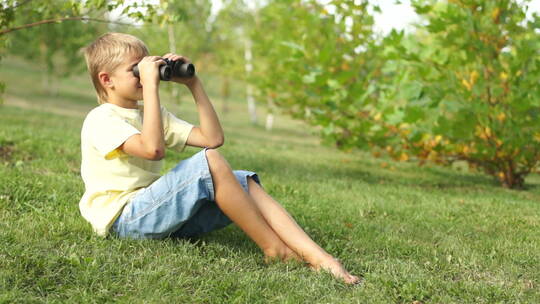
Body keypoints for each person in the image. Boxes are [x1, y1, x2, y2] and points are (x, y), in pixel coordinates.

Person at [79, 32, 359, 284]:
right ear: (107, 80)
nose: (145, 74)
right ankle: (276, 250)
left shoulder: (152, 114)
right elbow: (153, 149)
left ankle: (321, 259)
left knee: (242, 181)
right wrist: (151, 87)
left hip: (155, 212)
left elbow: (212, 138)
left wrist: (193, 84)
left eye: (147, 66)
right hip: (125, 221)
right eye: (136, 70)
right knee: (210, 162)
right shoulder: (102, 118)